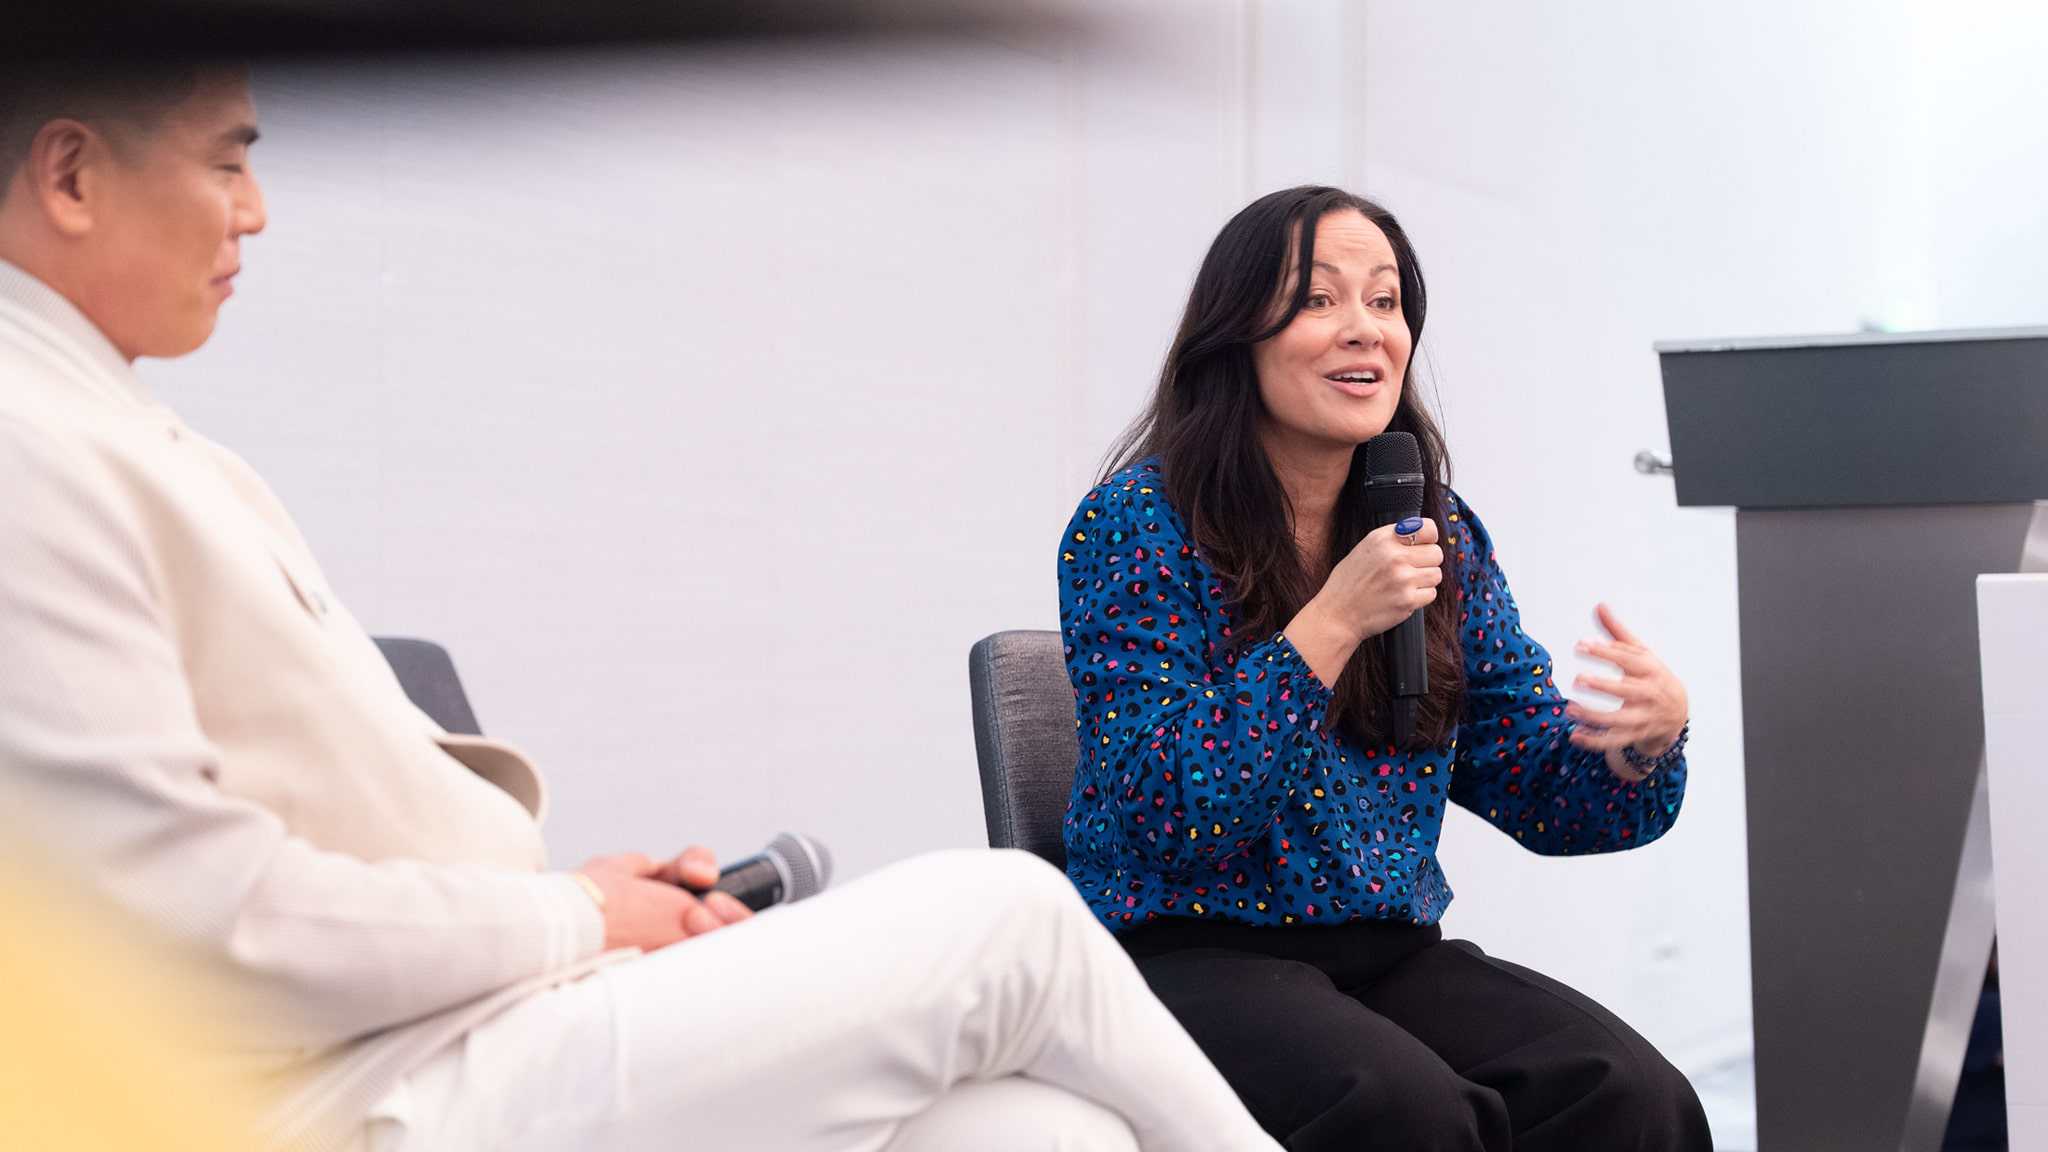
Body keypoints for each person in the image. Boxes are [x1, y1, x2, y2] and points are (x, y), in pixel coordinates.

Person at [0, 63, 1286, 1152]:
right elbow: (202, 930)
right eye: (228, 165)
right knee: (1009, 920)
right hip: (335, 1096)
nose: (257, 210)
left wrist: (568, 900)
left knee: (1034, 1133)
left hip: (430, 1027)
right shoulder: (30, 451)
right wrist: (571, 921)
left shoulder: (108, 429)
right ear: (69, 177)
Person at [1057, 185, 1714, 1151]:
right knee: (1407, 1114)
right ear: (1236, 335)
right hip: (1182, 954)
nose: (1365, 330)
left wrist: (1637, 748)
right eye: (1319, 301)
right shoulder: (1138, 525)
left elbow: (1537, 790)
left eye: (1385, 300)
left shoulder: (1433, 532)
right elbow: (1169, 812)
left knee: (1631, 1093)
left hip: (1386, 952)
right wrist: (1328, 626)